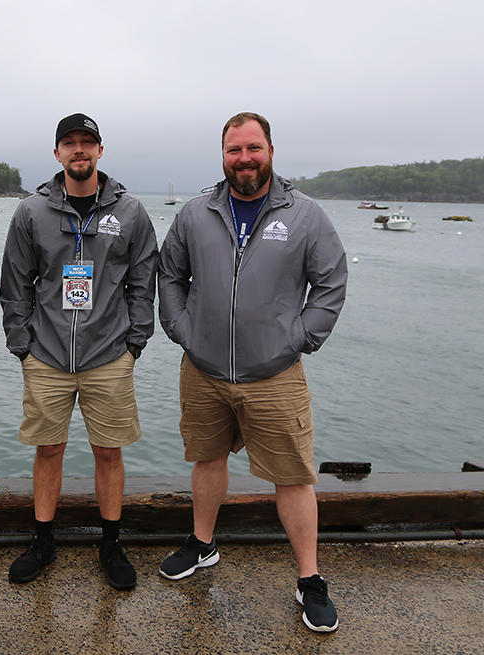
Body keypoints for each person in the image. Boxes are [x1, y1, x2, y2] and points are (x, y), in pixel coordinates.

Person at [157, 112, 347, 632]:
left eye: (253, 148)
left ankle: (309, 578)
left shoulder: (305, 215)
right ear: (222, 155)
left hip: (275, 373)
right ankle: (202, 543)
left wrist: (299, 339)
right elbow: (170, 274)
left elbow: (330, 283)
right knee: (206, 459)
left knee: (293, 476)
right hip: (204, 369)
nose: (244, 158)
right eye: (234, 150)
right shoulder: (196, 214)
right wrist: (181, 328)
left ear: (270, 150)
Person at [0, 113, 158, 590]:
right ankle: (42, 539)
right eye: (69, 143)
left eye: (87, 142)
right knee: (49, 449)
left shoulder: (130, 212)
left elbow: (142, 280)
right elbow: (14, 284)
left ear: (100, 150)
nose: (79, 151)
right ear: (57, 154)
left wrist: (135, 341)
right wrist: (21, 344)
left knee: (108, 452)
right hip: (46, 355)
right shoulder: (31, 211)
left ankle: (111, 542)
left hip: (109, 355)